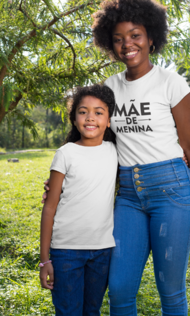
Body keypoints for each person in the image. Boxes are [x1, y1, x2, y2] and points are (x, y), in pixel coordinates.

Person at [43, 0, 190, 316]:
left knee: (170, 289)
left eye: (135, 35)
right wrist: (59, 180)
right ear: (110, 43)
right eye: (119, 39)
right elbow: (91, 133)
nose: (127, 44)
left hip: (173, 191)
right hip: (128, 197)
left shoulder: (171, 84)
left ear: (151, 37)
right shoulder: (110, 87)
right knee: (119, 288)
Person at [39, 84, 118, 316]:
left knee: (92, 311)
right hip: (66, 251)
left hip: (102, 250)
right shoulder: (66, 153)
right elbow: (50, 207)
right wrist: (45, 260)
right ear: (74, 119)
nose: (90, 117)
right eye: (83, 111)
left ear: (109, 120)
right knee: (68, 311)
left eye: (98, 112)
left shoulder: (116, 150)